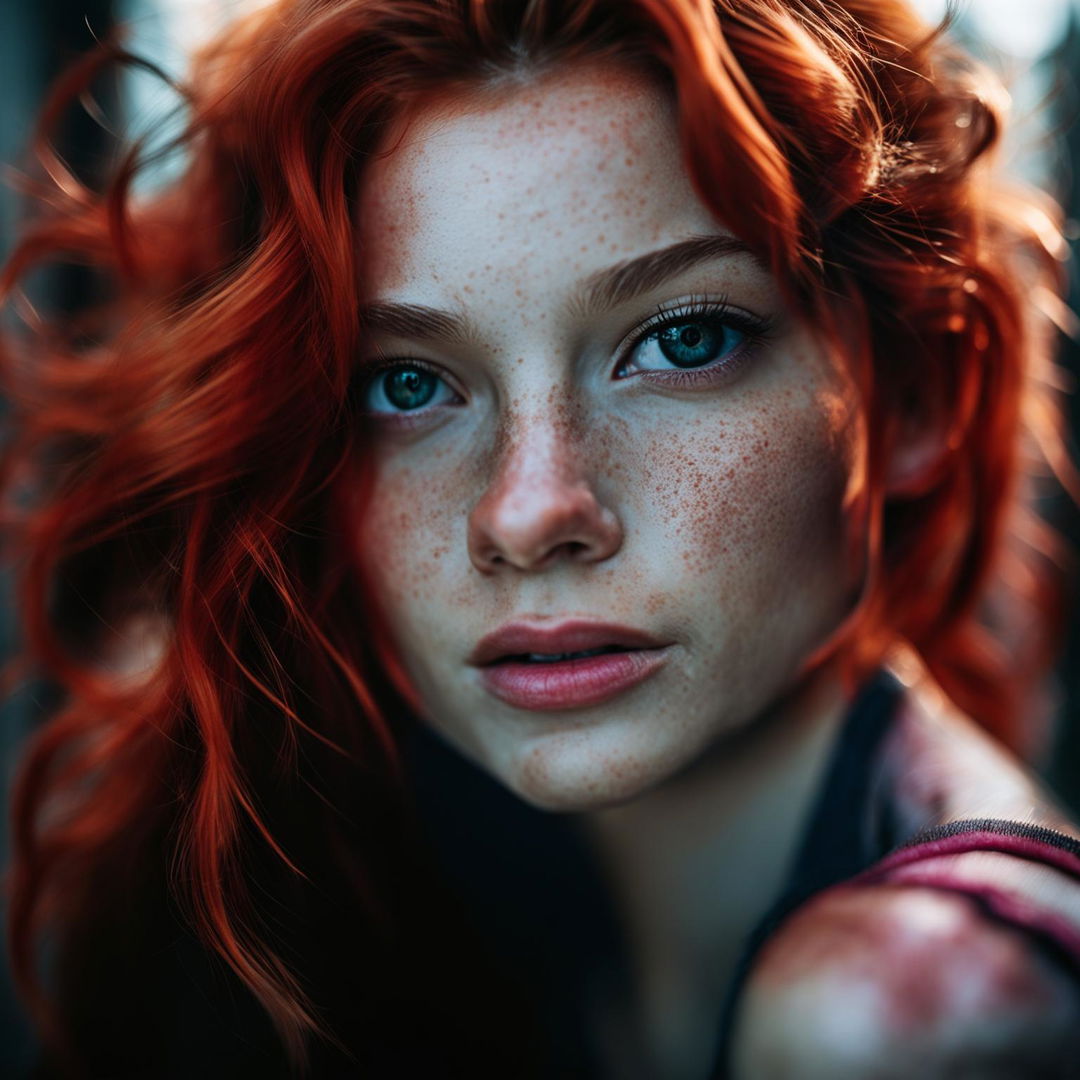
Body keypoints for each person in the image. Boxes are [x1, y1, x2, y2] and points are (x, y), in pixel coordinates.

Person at [2, 0, 1080, 1076]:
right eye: (405, 383)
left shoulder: (908, 1016)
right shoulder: (367, 885)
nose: (527, 512)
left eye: (683, 338)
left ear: (919, 391)